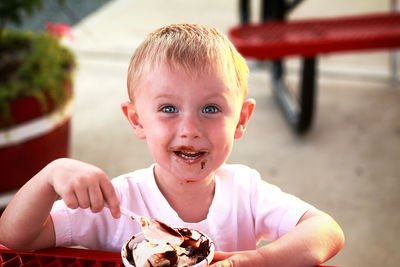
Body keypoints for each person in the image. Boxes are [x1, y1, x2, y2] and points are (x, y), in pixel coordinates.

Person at [0, 24, 344, 266]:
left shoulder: (247, 192)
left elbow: (326, 231)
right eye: (168, 109)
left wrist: (258, 260)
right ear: (137, 120)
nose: (190, 129)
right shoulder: (115, 202)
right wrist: (51, 175)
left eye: (211, 109)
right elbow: (16, 239)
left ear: (240, 119)